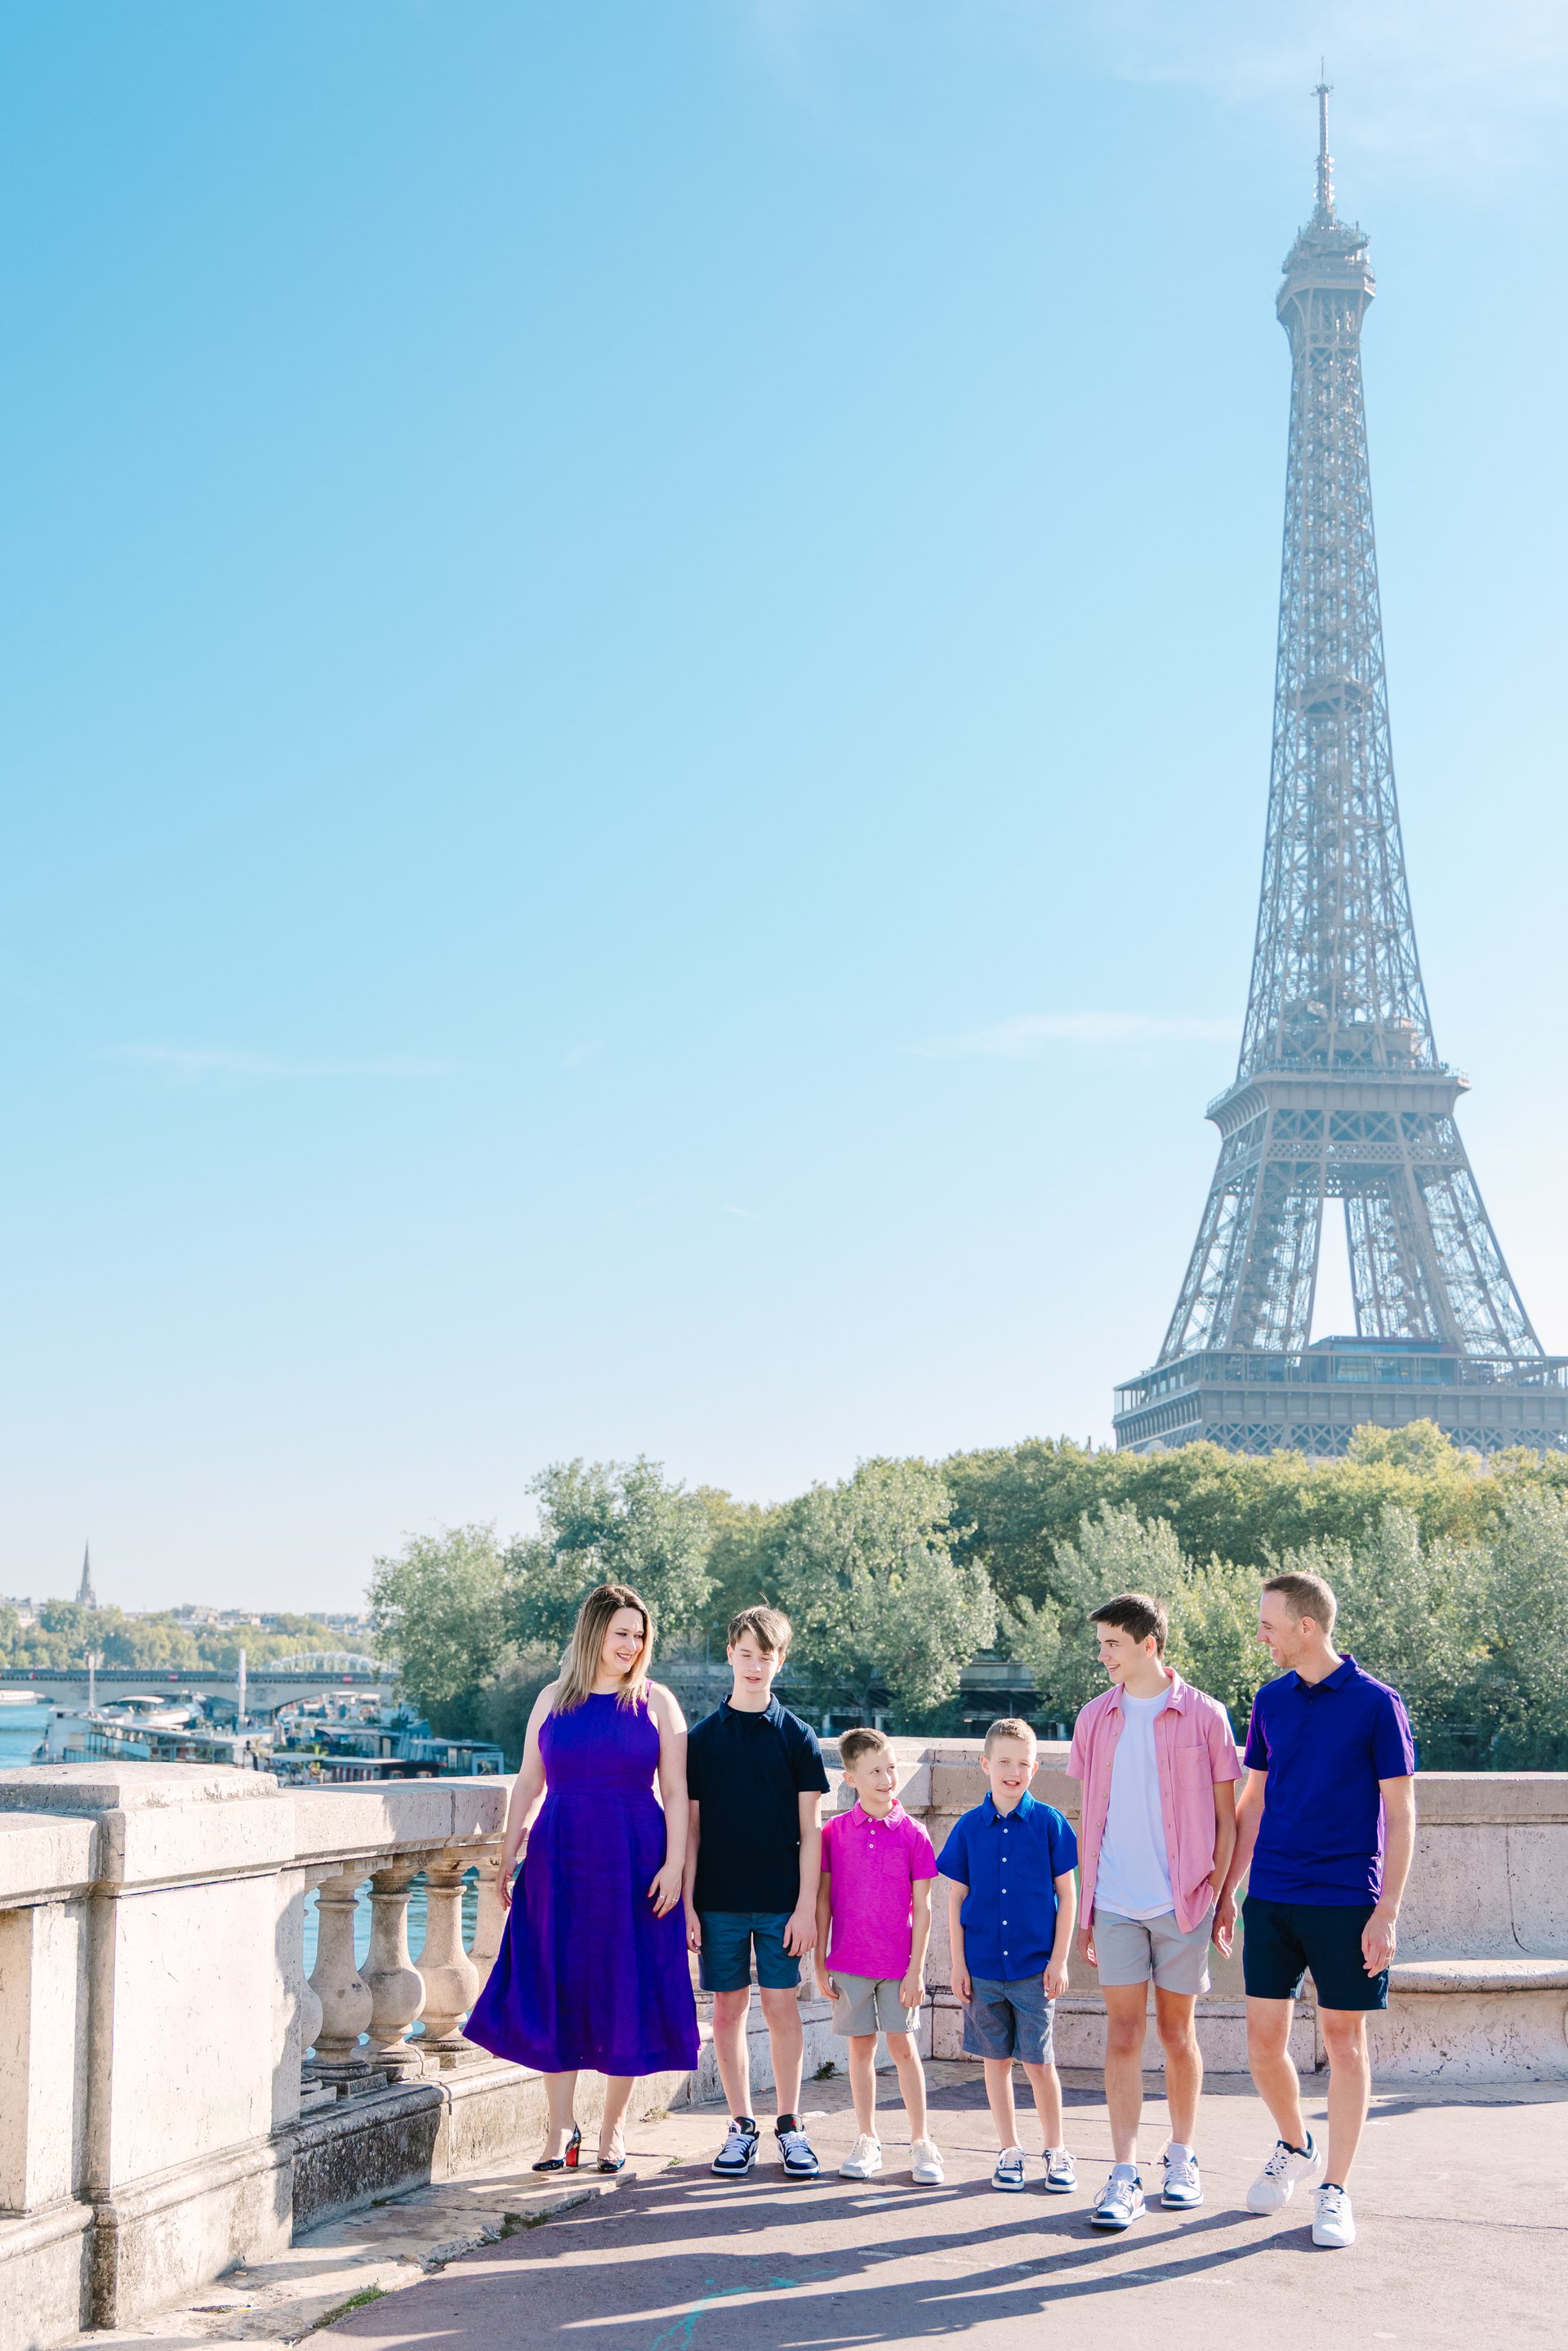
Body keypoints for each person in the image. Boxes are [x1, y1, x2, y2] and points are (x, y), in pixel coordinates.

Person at [465, 1581, 700, 2172]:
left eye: (639, 1635)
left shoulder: (657, 1701)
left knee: (627, 1985)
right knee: (557, 1985)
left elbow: (677, 1792)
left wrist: (674, 1866)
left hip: (635, 1861)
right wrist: (509, 1849)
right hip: (559, 1859)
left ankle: (613, 2130)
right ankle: (560, 2129)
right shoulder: (552, 1698)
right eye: (622, 1633)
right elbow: (529, 1780)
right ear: (594, 1632)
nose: (632, 1644)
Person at [1214, 1570, 1416, 2251]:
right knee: (1261, 2044)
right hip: (1272, 1897)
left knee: (1344, 2044)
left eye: (1268, 1624)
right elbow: (1252, 1802)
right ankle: (1295, 2144)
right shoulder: (1270, 1701)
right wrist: (1229, 1888)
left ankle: (1335, 2189)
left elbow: (1402, 1812)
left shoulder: (1377, 1704)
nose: (1261, 1636)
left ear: (1306, 1627)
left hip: (1347, 1900)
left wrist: (1387, 1910)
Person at [1067, 1590, 1240, 2232]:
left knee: (1176, 2033)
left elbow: (1227, 1820)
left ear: (1149, 1644)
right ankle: (1123, 2173)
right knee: (1121, 2035)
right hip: (1114, 1901)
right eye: (1101, 1645)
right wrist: (1087, 1910)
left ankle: (1182, 2157)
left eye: (1113, 1644)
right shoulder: (1093, 1718)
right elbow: (1091, 1814)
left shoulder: (1206, 1716)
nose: (1103, 1656)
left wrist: (1224, 1895)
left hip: (1183, 1901)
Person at [683, 1605, 831, 2181]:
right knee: (727, 2009)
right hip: (717, 1899)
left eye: (764, 1657)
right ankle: (740, 2126)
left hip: (780, 1902)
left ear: (779, 1661)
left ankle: (790, 2125)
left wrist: (805, 1909)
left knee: (781, 2006)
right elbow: (692, 1831)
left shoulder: (798, 1738)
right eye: (744, 1654)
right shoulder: (702, 1740)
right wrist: (689, 1904)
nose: (753, 1665)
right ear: (730, 1655)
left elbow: (812, 1832)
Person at [938, 1717, 1078, 2194]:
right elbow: (956, 1898)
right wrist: (958, 1964)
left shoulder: (1050, 1824)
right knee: (995, 2062)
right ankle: (1009, 2150)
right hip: (982, 1969)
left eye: (1022, 1764)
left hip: (1035, 1970)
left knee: (1039, 2063)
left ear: (1035, 1769)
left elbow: (1068, 1896)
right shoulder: (969, 1828)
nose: (1013, 1772)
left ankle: (1056, 2150)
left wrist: (1059, 1960)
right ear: (985, 1765)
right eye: (1004, 1762)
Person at [814, 1727, 943, 2184]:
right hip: (849, 1962)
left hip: (898, 1966)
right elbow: (823, 1902)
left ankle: (921, 2141)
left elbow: (924, 1909)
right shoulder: (834, 1833)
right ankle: (867, 2139)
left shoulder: (914, 1834)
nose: (887, 1779)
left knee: (903, 2047)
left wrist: (917, 1971)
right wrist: (818, 1963)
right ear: (851, 1778)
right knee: (860, 2048)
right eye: (875, 1771)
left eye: (891, 1768)